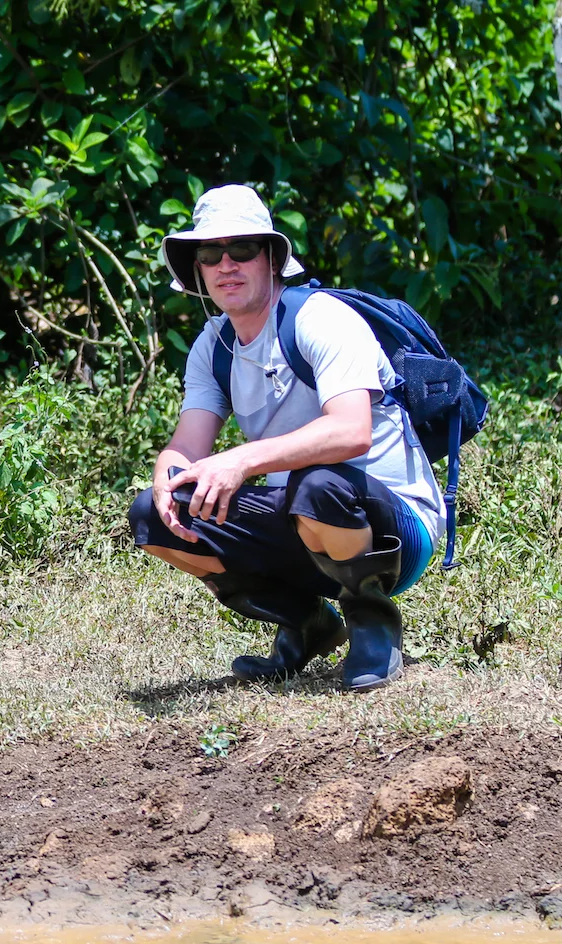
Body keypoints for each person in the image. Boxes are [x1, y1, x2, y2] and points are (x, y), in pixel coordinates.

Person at [128, 184, 442, 691]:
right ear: (197, 270)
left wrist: (242, 461)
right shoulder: (215, 347)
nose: (226, 264)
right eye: (210, 253)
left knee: (317, 483)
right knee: (152, 514)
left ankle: (373, 620)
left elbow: (351, 431)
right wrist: (168, 478)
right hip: (304, 521)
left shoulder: (321, 319)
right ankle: (308, 622)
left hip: (394, 529)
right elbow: (188, 444)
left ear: (271, 257)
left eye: (243, 249)